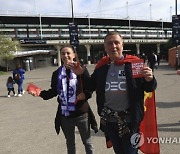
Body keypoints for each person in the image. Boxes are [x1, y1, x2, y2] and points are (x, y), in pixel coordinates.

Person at [70, 31, 157, 154]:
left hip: (131, 122)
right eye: (109, 43)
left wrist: (150, 79)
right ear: (105, 47)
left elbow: (149, 88)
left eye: (117, 43)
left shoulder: (135, 64)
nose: (113, 46)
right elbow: (90, 85)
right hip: (110, 122)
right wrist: (82, 72)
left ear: (123, 45)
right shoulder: (101, 67)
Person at [28, 45, 97, 154]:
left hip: (81, 113)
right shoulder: (56, 74)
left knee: (87, 142)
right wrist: (39, 93)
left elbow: (90, 87)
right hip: (65, 115)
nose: (65, 56)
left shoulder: (80, 69)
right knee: (70, 143)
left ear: (74, 55)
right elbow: (53, 91)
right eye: (63, 53)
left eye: (68, 53)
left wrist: (85, 94)